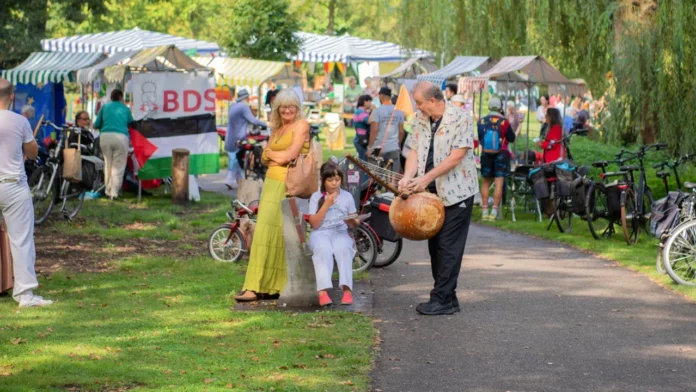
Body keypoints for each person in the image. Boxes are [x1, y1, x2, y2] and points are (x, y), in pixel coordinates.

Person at [398, 81, 477, 316]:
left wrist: (426, 178)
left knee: (448, 246)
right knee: (435, 245)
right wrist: (408, 177)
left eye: (420, 103)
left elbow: (456, 157)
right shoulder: (421, 120)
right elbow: (413, 149)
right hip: (430, 193)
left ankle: (441, 298)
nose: (417, 107)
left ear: (433, 101)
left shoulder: (461, 118)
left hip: (457, 192)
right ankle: (448, 297)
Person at [235, 90, 310, 302]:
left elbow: (291, 155)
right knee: (263, 234)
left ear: (297, 108)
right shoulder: (277, 128)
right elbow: (265, 157)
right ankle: (255, 285)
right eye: (283, 106)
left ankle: (276, 285)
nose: (287, 110)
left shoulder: (301, 125)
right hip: (270, 184)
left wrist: (275, 156)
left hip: (287, 185)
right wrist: (277, 158)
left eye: (291, 106)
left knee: (280, 235)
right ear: (277, 108)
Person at [0, 78, 53, 308]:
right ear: (12, 97)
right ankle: (25, 296)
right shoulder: (20, 121)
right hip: (13, 184)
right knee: (21, 241)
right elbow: (32, 153)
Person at [307, 162, 359, 306]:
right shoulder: (316, 197)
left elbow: (354, 220)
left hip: (341, 232)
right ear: (323, 181)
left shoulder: (347, 196)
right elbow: (314, 224)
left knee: (343, 248)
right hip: (321, 233)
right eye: (330, 180)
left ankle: (347, 290)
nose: (334, 183)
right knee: (323, 250)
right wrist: (326, 204)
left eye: (337, 179)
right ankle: (322, 292)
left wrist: (353, 222)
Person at [478, 97, 516, 221]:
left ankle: (484, 211)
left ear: (489, 106)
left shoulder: (482, 121)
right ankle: (494, 211)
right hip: (501, 154)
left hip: (486, 154)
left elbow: (480, 138)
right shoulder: (504, 122)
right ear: (500, 107)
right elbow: (511, 138)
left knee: (485, 182)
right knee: (499, 182)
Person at [224, 89, 267, 189]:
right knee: (236, 158)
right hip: (239, 137)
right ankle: (229, 179)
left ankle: (240, 181)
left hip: (230, 135)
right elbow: (253, 120)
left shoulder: (233, 106)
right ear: (246, 97)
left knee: (234, 158)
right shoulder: (244, 107)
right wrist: (266, 124)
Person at [94, 89, 133, 200]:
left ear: (111, 97)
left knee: (108, 164)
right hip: (121, 137)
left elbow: (96, 124)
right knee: (118, 166)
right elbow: (131, 123)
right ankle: (114, 193)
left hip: (105, 137)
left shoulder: (104, 107)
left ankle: (107, 190)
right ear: (121, 97)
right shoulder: (126, 109)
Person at [368, 87, 405, 173]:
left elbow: (374, 130)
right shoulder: (399, 112)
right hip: (394, 148)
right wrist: (398, 144)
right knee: (393, 177)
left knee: (378, 178)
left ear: (381, 96)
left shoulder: (377, 111)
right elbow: (401, 132)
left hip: (379, 148)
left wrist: (370, 147)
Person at [352, 95, 373, 162]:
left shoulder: (362, 111)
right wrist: (374, 110)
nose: (371, 103)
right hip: (361, 139)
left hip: (362, 138)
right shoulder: (360, 112)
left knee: (364, 160)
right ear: (365, 102)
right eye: (369, 101)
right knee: (364, 161)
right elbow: (368, 121)